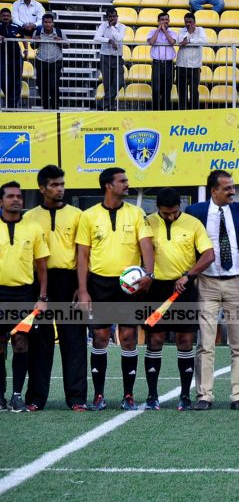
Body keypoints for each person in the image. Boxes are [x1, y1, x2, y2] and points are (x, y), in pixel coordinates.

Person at [75, 168, 154, 411]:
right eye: (123, 181)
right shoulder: (88, 216)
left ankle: (128, 395)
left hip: (128, 287)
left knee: (129, 338)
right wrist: (83, 290)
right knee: (99, 337)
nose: (127, 184)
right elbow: (82, 255)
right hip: (99, 284)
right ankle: (99, 395)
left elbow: (146, 246)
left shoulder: (137, 213)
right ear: (109, 185)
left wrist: (148, 274)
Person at [185, 171, 239, 410]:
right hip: (206, 283)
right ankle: (204, 395)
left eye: (233, 187)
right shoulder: (195, 213)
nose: (232, 192)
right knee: (205, 343)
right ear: (213, 190)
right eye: (226, 188)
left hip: (237, 282)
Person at [142, 188, 214, 411]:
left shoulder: (193, 224)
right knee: (155, 341)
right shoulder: (146, 222)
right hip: (155, 289)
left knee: (185, 341)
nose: (171, 216)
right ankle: (152, 396)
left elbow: (209, 255)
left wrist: (189, 275)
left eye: (174, 212)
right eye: (166, 213)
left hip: (184, 288)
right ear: (158, 209)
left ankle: (185, 395)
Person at [23, 166, 87, 411]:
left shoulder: (78, 215)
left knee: (74, 341)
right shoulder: (29, 218)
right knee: (39, 341)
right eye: (54, 185)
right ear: (42, 188)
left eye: (62, 184)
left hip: (68, 282)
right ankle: (36, 399)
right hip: (39, 284)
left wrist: (81, 286)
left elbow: (84, 255)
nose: (60, 189)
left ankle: (77, 398)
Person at [0, 182, 49, 412]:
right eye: (10, 196)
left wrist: (42, 297)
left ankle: (17, 395)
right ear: (1, 201)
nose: (16, 200)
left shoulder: (33, 228)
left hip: (24, 294)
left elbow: (42, 267)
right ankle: (0, 396)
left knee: (21, 343)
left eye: (19, 196)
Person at [94, 8, 126, 111]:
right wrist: (108, 40)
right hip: (105, 57)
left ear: (117, 16)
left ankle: (102, 104)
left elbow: (119, 38)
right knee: (107, 84)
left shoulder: (122, 26)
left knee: (119, 82)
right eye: (110, 17)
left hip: (117, 57)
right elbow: (96, 38)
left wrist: (112, 27)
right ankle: (110, 107)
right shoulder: (103, 25)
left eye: (114, 16)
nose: (112, 18)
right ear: (107, 17)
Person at [33, 14, 67, 111]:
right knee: (41, 86)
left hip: (55, 62)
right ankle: (46, 108)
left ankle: (55, 107)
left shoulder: (59, 32)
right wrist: (35, 40)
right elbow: (33, 46)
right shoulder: (37, 31)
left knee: (54, 85)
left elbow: (67, 45)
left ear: (53, 23)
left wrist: (61, 41)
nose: (48, 24)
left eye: (49, 22)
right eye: (45, 22)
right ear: (42, 23)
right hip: (41, 61)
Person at [175, 13, 206, 110]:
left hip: (195, 65)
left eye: (190, 22)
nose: (188, 24)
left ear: (194, 22)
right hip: (181, 65)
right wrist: (189, 33)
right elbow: (180, 41)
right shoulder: (182, 30)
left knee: (193, 90)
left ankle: (194, 111)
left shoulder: (200, 30)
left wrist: (189, 41)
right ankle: (182, 111)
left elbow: (203, 41)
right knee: (181, 90)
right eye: (186, 22)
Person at [148, 12, 176, 111]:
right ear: (158, 21)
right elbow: (151, 42)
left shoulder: (172, 32)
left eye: (166, 19)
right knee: (156, 89)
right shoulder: (152, 32)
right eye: (162, 20)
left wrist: (165, 31)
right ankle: (155, 111)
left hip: (168, 64)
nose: (165, 21)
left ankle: (165, 112)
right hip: (157, 64)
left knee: (167, 89)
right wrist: (159, 30)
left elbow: (172, 42)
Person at [0, 8, 23, 109]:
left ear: (10, 17)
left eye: (7, 16)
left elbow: (24, 37)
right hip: (2, 58)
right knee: (3, 81)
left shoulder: (16, 26)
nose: (6, 17)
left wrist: (26, 50)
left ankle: (13, 106)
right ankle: (8, 102)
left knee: (16, 82)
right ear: (0, 17)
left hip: (16, 58)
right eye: (4, 16)